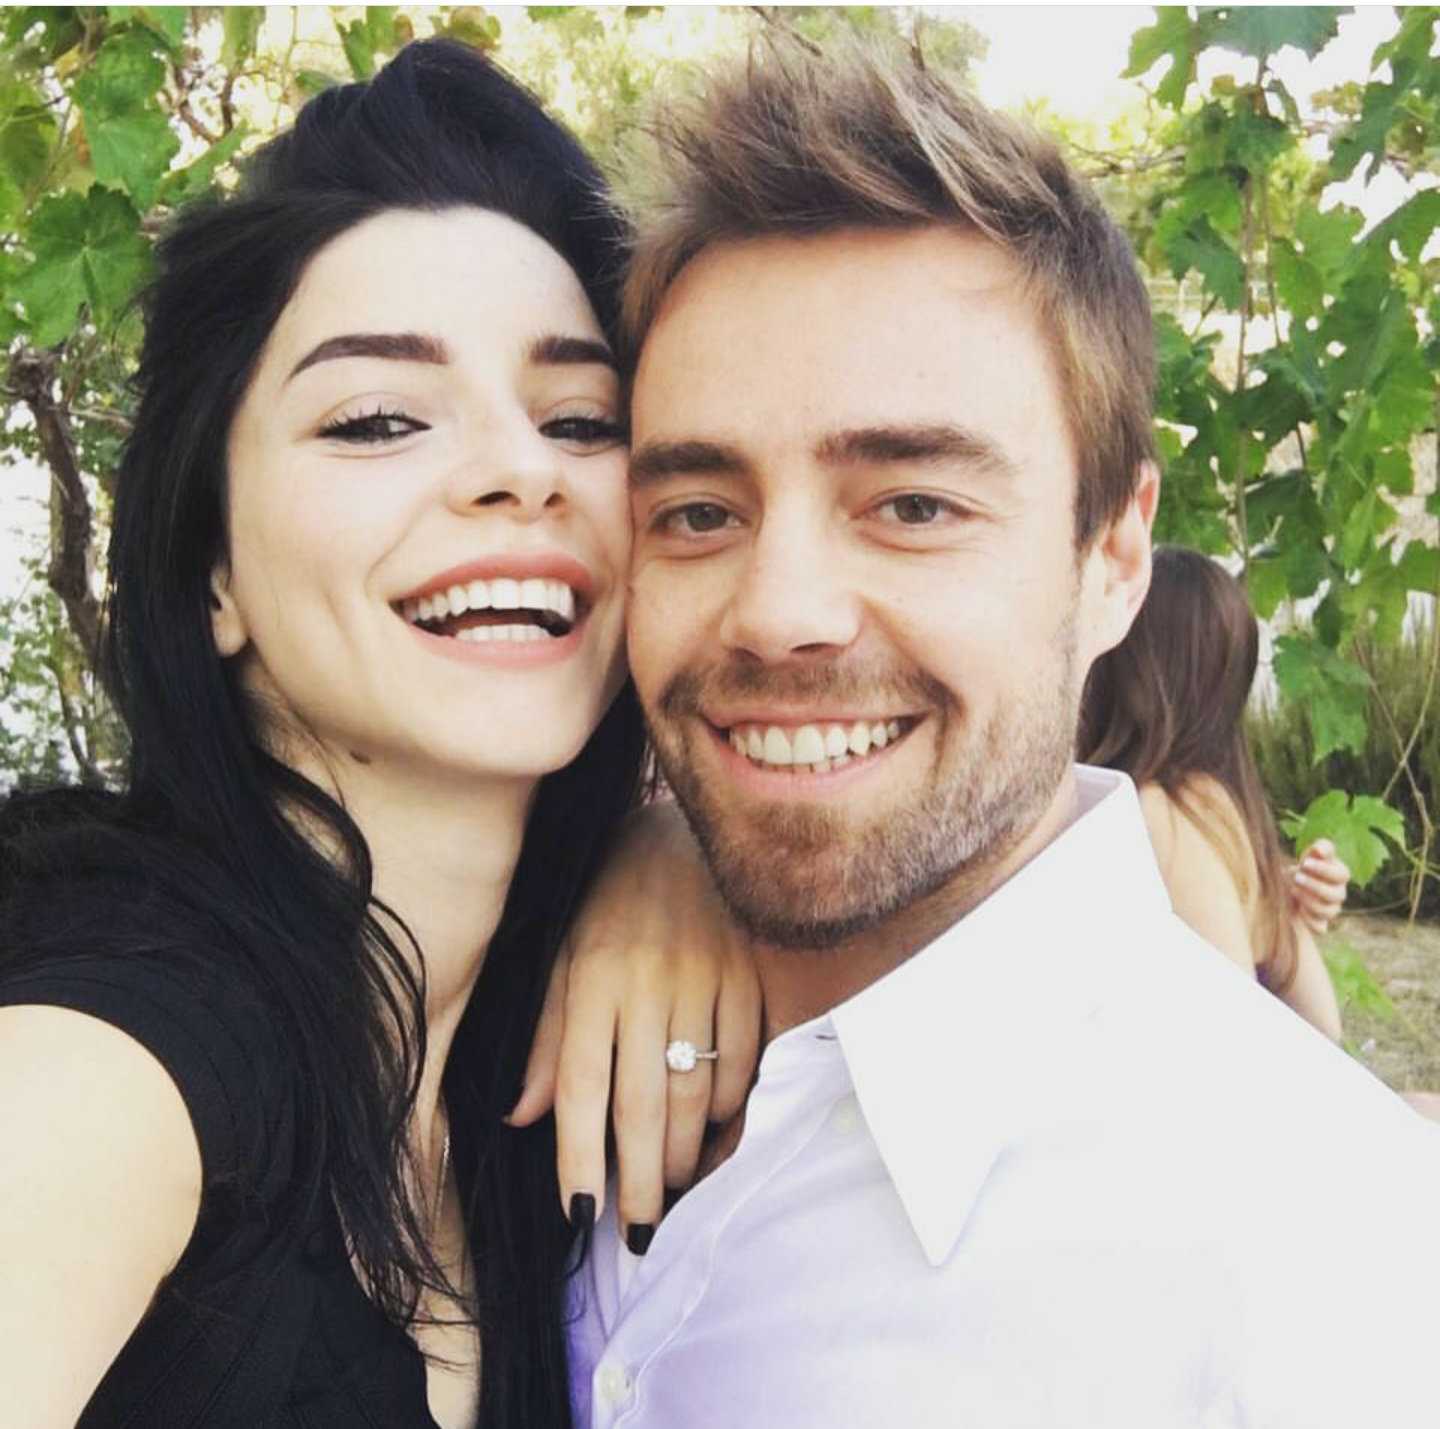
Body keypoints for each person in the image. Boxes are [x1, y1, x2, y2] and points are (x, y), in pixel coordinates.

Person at [568, 38, 1440, 1429]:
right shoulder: (497, 1012)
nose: (777, 612)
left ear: (1116, 555)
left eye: (914, 504)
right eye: (698, 512)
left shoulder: (1335, 1275)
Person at [0, 41, 758, 1429]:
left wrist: (674, 850)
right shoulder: (100, 1071)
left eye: (581, 417)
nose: (520, 468)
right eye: (377, 419)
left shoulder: (523, 1098)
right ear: (212, 574)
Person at [1079, 545, 1348, 1039]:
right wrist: (1287, 910)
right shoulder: (1222, 808)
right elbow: (1324, 1027)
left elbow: (1229, 1040)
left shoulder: (1157, 812)